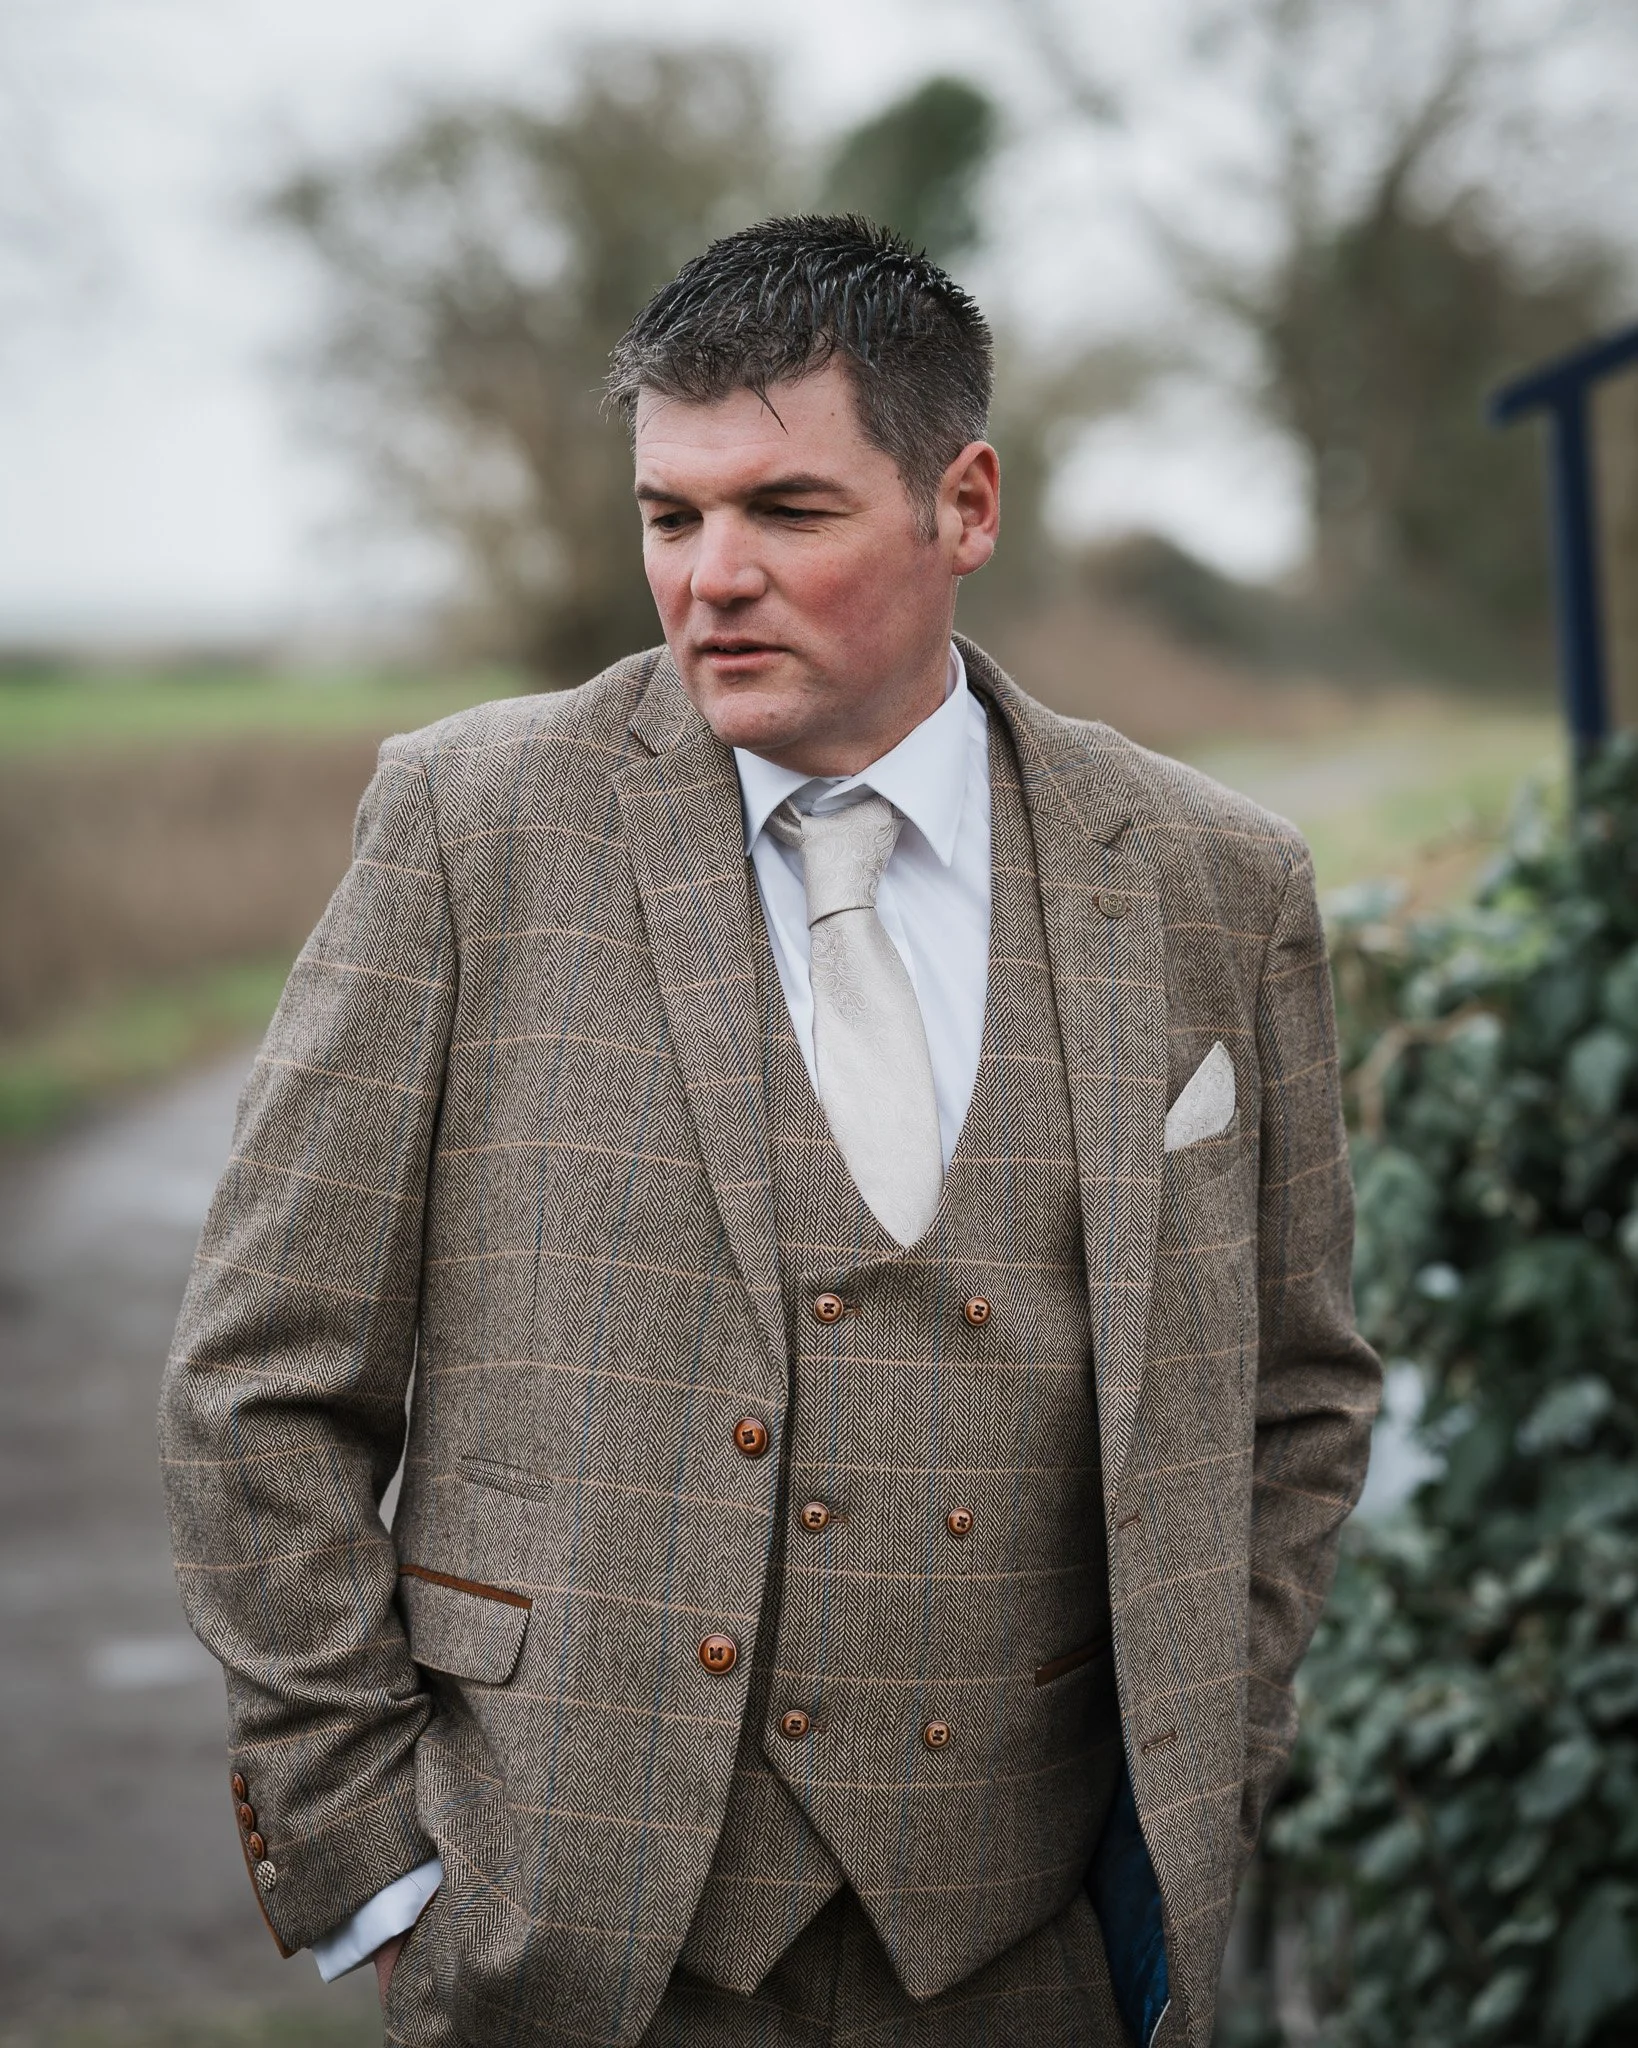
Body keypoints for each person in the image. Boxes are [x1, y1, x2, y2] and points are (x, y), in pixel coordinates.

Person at [160, 215, 1380, 2048]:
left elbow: (1295, 1392)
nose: (710, 576)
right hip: (563, 1933)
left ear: (961, 504)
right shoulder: (470, 830)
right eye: (671, 517)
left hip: (1031, 1949)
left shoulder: (1213, 880)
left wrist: (1208, 1746)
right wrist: (373, 1861)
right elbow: (260, 1382)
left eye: (786, 513)